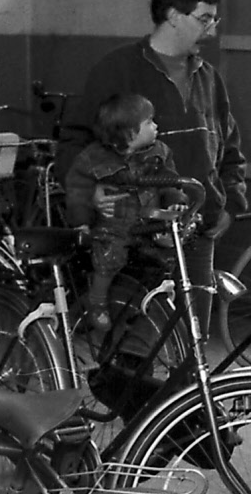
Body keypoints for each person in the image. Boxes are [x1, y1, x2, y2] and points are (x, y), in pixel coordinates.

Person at [75, 0, 246, 345]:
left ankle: (186, 405)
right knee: (137, 347)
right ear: (172, 15)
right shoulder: (116, 71)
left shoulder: (209, 78)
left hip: (198, 234)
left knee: (193, 344)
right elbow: (75, 141)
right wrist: (92, 193)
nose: (212, 30)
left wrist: (229, 201)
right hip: (137, 236)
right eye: (204, 19)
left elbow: (229, 147)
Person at [64, 92, 182, 335]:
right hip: (113, 225)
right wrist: (82, 221)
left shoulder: (160, 151)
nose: (156, 126)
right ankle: (97, 299)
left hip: (150, 220)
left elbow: (170, 182)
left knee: (166, 254)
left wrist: (175, 201)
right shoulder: (92, 158)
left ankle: (151, 301)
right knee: (110, 257)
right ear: (129, 133)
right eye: (149, 122)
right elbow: (77, 189)